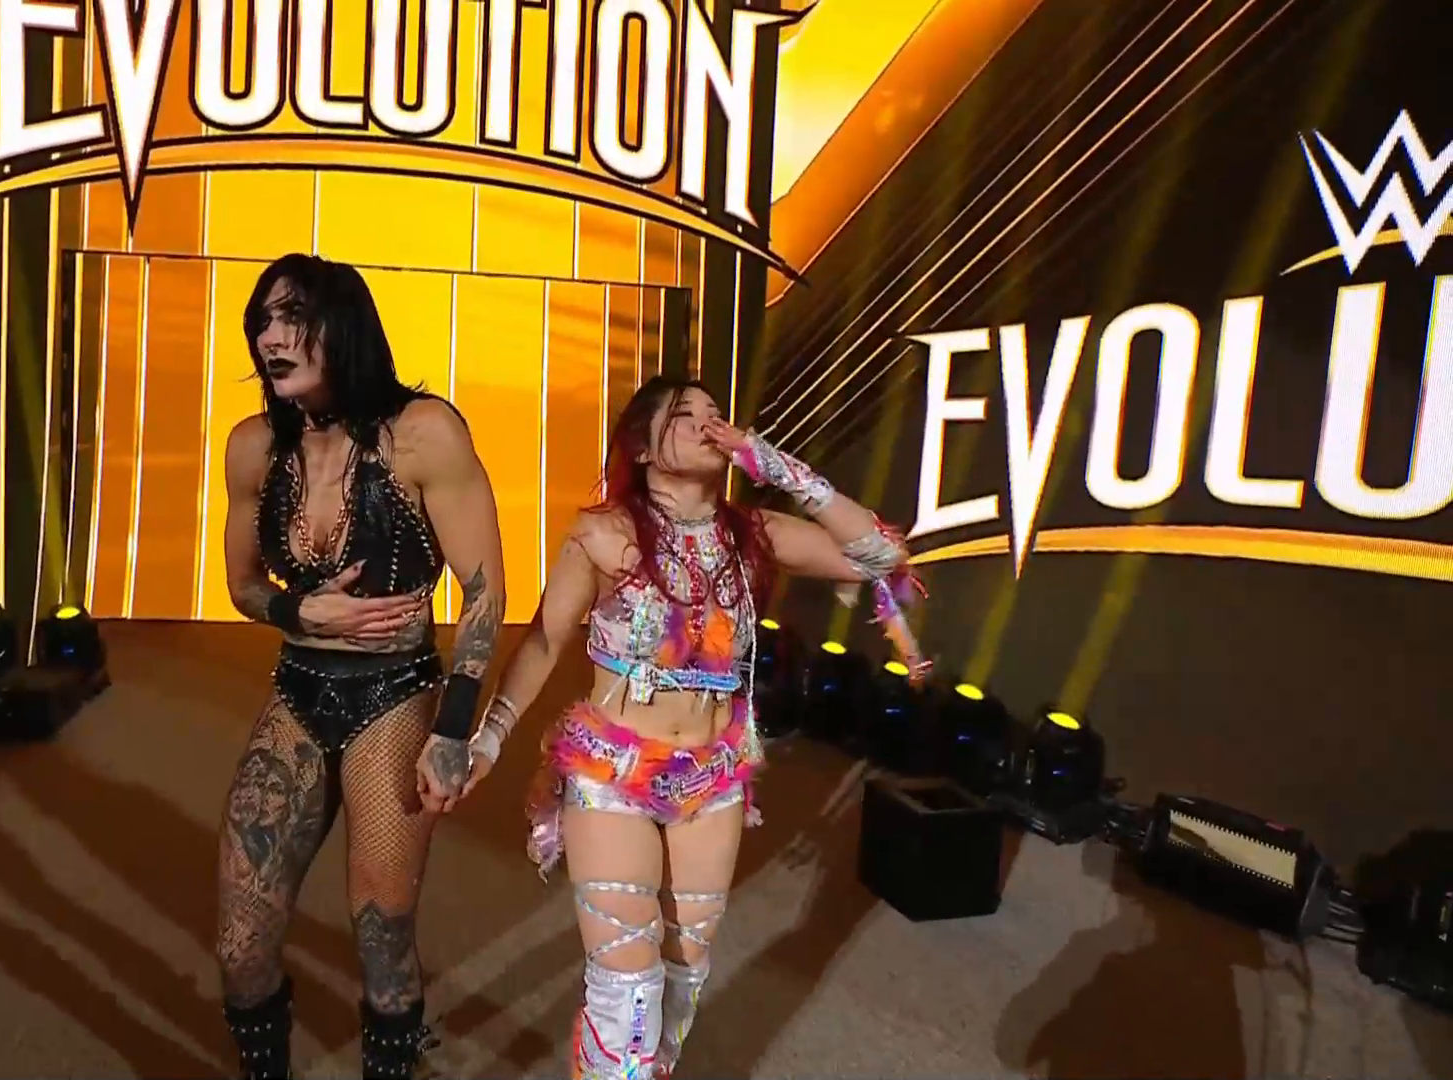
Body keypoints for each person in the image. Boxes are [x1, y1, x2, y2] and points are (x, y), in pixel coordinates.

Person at [455, 376, 924, 1080]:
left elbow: (880, 558)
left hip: (714, 776)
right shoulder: (606, 534)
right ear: (642, 447)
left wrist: (771, 461)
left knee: (683, 976)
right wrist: (489, 738)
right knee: (627, 989)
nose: (708, 426)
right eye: (684, 416)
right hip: (613, 773)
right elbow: (546, 640)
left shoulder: (754, 534)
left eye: (717, 416)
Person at [214, 253, 506, 1080]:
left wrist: (453, 731)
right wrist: (297, 611)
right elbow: (242, 585)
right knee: (239, 944)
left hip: (395, 697)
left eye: (291, 318)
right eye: (261, 322)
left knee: (381, 937)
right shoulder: (252, 448)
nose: (270, 339)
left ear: (342, 327)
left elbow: (485, 593)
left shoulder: (424, 433)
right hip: (299, 689)